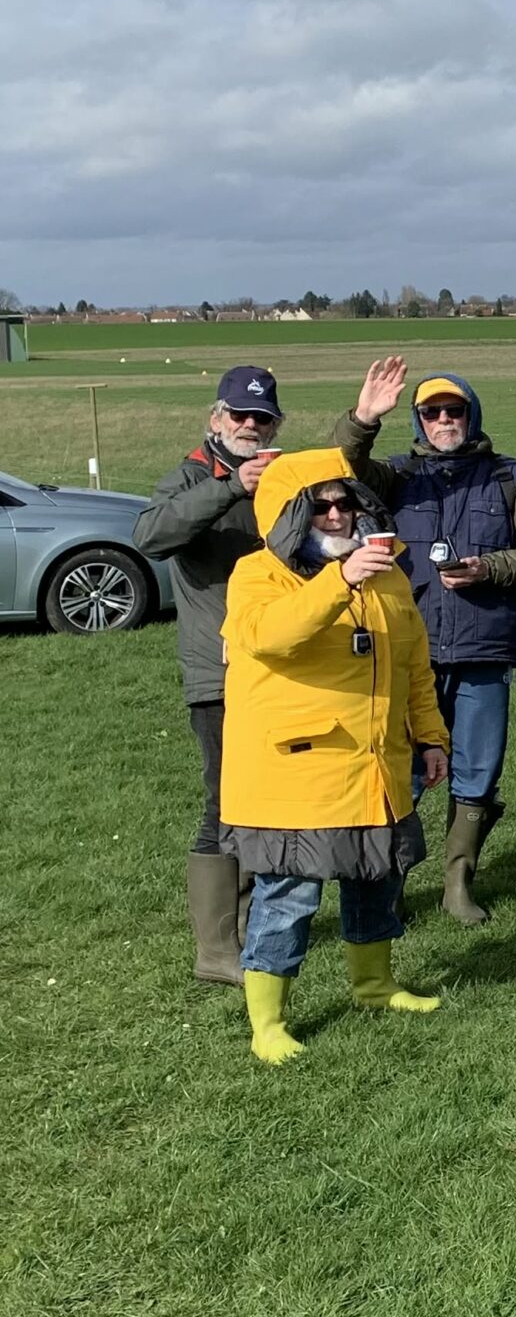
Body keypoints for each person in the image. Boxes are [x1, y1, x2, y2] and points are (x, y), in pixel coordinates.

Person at [220, 453, 449, 1064]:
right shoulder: (257, 574)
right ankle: (268, 1023)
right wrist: (340, 580)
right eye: (319, 506)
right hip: (294, 774)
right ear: (289, 514)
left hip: (375, 767)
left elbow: (413, 664)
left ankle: (375, 986)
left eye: (345, 502)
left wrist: (431, 738)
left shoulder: (387, 573)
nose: (336, 514)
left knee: (376, 879)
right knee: (289, 897)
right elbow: (272, 636)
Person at [338, 357, 516, 925]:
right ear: (417, 420)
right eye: (432, 412)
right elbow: (344, 468)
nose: (444, 420)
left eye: (454, 410)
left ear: (472, 414)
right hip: (408, 653)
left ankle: (457, 884)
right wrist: (364, 418)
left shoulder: (510, 476)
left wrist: (489, 568)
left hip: (485, 649)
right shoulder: (395, 476)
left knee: (478, 770)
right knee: (403, 771)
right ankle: (390, 886)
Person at [136, 364, 285, 984]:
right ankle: (216, 950)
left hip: (279, 667)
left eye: (261, 418)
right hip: (217, 673)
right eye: (239, 415)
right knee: (224, 800)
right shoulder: (193, 476)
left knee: (268, 798)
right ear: (216, 418)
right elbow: (151, 535)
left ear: (275, 425)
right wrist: (230, 487)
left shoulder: (280, 477)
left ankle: (251, 926)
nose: (250, 425)